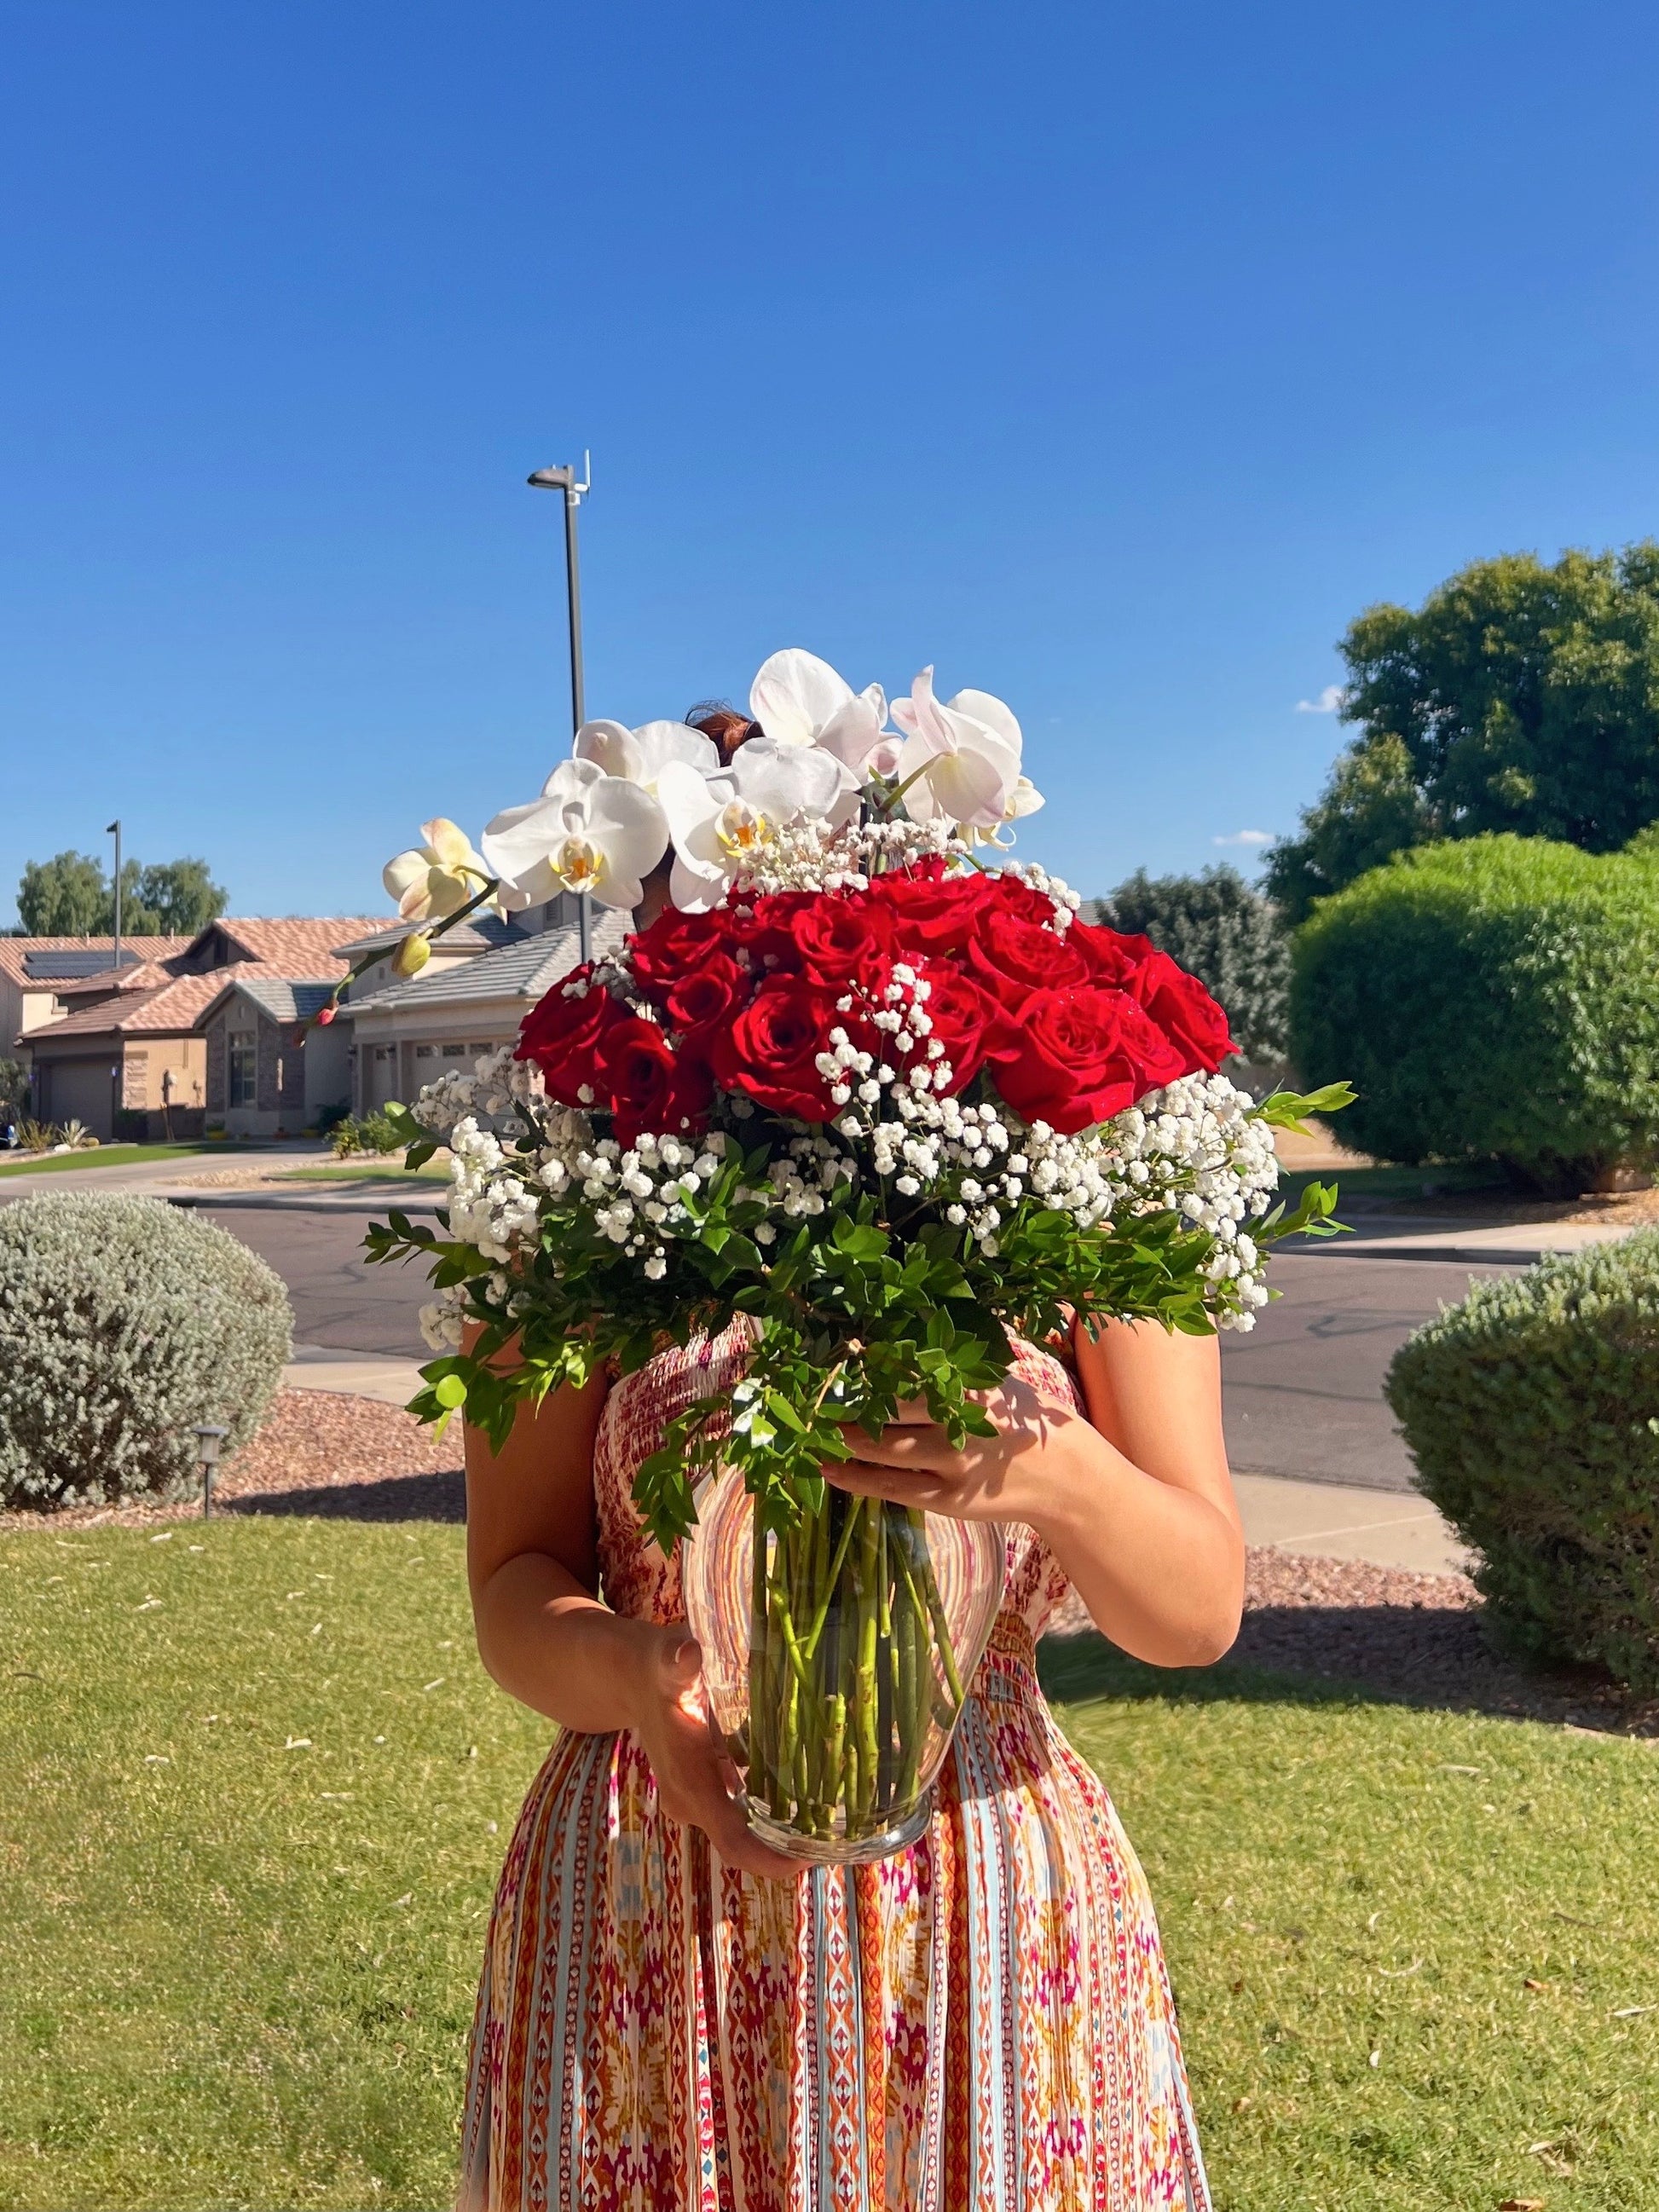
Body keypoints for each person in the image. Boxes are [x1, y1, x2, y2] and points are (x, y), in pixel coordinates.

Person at [455, 712, 1244, 2212]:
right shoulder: (572, 1179)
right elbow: (512, 1587)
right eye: (689, 891)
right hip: (645, 1903)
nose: (737, 921)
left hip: (980, 1898)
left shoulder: (1077, 1162)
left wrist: (1044, 1471)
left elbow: (1194, 1613)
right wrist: (640, 1679)